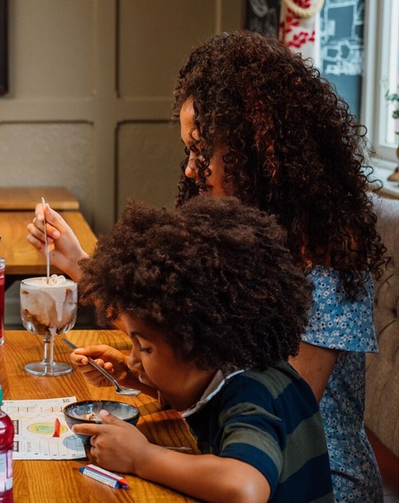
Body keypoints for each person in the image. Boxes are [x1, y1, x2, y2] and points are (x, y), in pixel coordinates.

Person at [27, 31, 385, 501]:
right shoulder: (240, 242)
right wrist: (146, 370)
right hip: (227, 456)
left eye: (203, 151)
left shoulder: (327, 263)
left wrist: (151, 412)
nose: (192, 170)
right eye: (188, 152)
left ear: (258, 151)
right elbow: (208, 364)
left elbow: (268, 411)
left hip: (312, 484)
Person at [71, 196, 333, 502]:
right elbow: (203, 399)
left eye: (144, 348)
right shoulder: (247, 364)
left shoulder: (250, 396)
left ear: (198, 344)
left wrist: (141, 457)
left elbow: (245, 490)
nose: (134, 358)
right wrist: (131, 378)